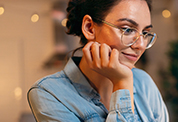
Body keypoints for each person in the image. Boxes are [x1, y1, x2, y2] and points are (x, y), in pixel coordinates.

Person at [27, 0, 169, 121]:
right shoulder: (49, 93)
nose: (141, 45)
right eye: (127, 30)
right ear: (89, 28)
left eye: (144, 33)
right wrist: (122, 83)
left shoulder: (144, 83)